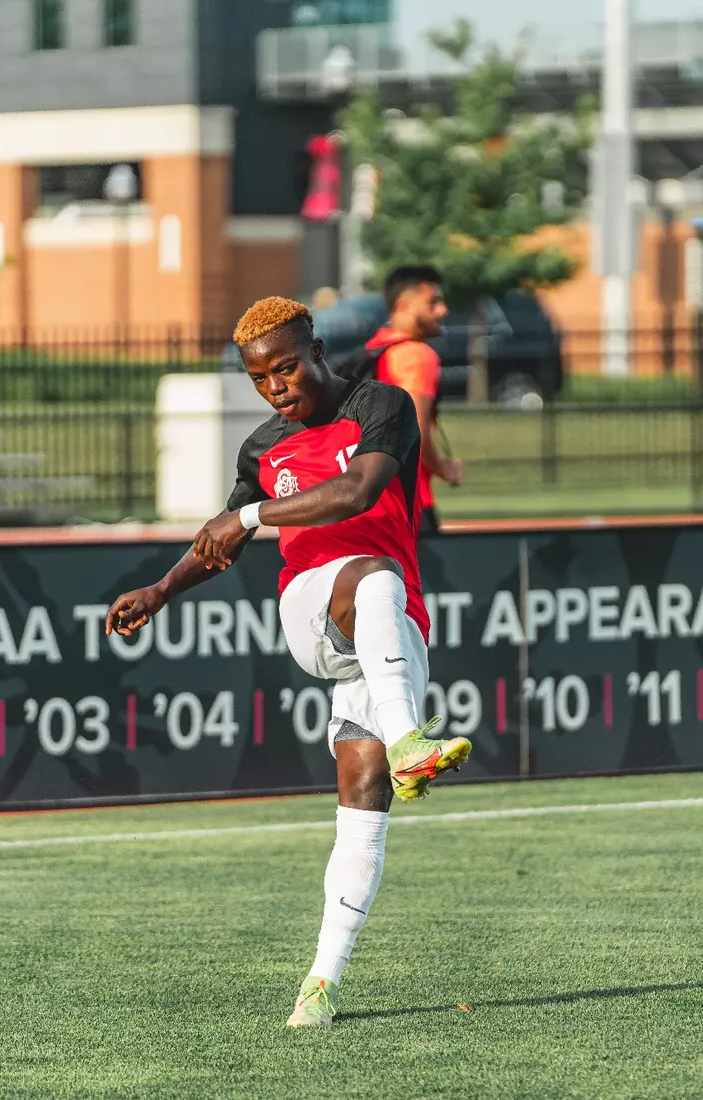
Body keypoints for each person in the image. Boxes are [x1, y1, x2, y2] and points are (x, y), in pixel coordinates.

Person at [105, 296, 471, 1030]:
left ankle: (318, 987)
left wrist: (245, 516)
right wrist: (162, 588)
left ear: (315, 349)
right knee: (370, 570)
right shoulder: (264, 449)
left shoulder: (381, 407)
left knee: (363, 812)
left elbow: (360, 489)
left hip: (389, 630)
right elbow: (222, 541)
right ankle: (410, 742)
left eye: (286, 368)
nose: (276, 387)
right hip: (312, 609)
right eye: (260, 378)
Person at [364, 265, 464, 534]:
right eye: (432, 302)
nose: (442, 311)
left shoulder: (374, 349)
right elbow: (415, 431)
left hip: (371, 502)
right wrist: (444, 468)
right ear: (403, 305)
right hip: (411, 503)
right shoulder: (416, 355)